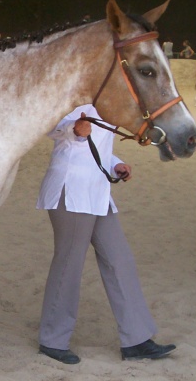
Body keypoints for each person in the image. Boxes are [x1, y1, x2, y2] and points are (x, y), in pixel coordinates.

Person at [36, 104, 176, 364]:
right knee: (69, 264)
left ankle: (136, 339)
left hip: (98, 193)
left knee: (120, 260)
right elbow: (47, 124)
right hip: (72, 190)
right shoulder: (72, 92)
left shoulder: (107, 100)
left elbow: (98, 149)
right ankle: (52, 340)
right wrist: (73, 129)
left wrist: (116, 164)